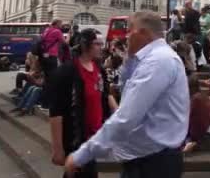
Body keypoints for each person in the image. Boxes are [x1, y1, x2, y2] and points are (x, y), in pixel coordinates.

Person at [63, 12, 188, 178]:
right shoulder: (151, 59)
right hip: (145, 157)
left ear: (143, 33)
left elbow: (126, 116)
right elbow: (126, 90)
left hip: (153, 162)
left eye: (130, 30)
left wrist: (81, 155)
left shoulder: (158, 61)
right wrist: (129, 58)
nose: (126, 36)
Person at [50, 28, 117, 178]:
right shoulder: (67, 72)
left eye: (102, 43)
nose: (102, 47)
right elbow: (56, 112)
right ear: (85, 45)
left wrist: (119, 114)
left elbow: (106, 94)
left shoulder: (99, 70)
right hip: (76, 137)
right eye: (97, 44)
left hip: (96, 137)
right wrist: (57, 148)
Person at [183, 74, 210, 153]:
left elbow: (188, 116)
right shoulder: (203, 96)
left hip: (198, 132)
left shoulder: (195, 99)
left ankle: (190, 143)